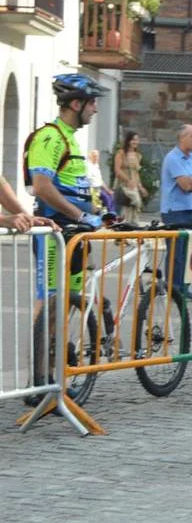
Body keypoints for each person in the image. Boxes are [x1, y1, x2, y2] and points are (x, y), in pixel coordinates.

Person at [23, 75, 108, 398]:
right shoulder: (51, 137)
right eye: (92, 103)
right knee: (49, 304)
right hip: (56, 233)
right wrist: (80, 215)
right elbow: (42, 187)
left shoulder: (72, 139)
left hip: (75, 235)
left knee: (65, 306)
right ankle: (37, 382)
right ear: (76, 104)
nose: (95, 109)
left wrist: (98, 213)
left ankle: (54, 381)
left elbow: (74, 188)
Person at [160, 125, 192, 301]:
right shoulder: (173, 158)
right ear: (182, 137)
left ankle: (184, 289)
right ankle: (174, 289)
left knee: (189, 253)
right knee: (176, 255)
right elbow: (186, 186)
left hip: (189, 210)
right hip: (174, 211)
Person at [113, 131, 148, 223]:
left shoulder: (138, 155)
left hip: (133, 187)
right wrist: (128, 181)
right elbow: (117, 170)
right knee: (122, 214)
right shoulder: (121, 153)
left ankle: (132, 227)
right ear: (128, 141)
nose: (135, 142)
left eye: (137, 140)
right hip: (123, 187)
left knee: (135, 209)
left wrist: (141, 187)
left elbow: (136, 173)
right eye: (133, 140)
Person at [85, 149, 113, 214]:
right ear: (90, 157)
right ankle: (110, 214)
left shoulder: (96, 165)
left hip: (99, 189)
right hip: (92, 190)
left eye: (97, 156)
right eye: (94, 156)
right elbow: (88, 180)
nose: (96, 158)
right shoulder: (88, 166)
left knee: (110, 197)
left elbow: (100, 180)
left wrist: (108, 191)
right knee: (106, 200)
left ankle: (111, 214)